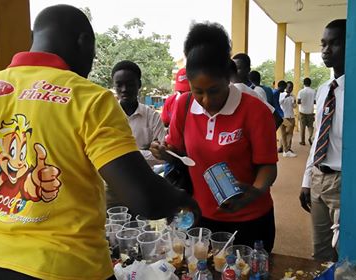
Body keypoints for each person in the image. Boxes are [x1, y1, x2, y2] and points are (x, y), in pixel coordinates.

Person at [0, 5, 198, 279]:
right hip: (71, 268)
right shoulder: (90, 99)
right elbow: (146, 200)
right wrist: (181, 199)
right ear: (84, 42)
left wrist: (9, 212)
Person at [151, 22, 278, 252]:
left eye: (214, 90)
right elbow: (178, 153)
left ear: (228, 78)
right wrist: (164, 151)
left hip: (250, 220)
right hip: (201, 218)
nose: (206, 100)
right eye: (198, 91)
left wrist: (256, 191)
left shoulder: (255, 111)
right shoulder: (184, 105)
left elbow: (268, 166)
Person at [299, 19, 346, 262]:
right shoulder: (324, 89)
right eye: (323, 44)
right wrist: (307, 179)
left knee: (345, 251)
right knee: (320, 251)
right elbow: (319, 136)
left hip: (343, 182)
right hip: (318, 177)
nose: (326, 50)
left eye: (335, 43)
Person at [112, 60, 166, 167]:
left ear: (139, 84)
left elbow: (162, 156)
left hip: (144, 180)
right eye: (119, 85)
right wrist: (145, 152)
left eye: (130, 84)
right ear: (114, 85)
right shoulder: (106, 115)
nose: (124, 89)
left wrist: (121, 152)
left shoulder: (152, 117)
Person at [279, 81, 297, 158]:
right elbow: (279, 103)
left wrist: (294, 103)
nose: (291, 89)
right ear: (286, 87)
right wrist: (285, 97)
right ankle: (285, 149)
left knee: (290, 133)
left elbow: (294, 106)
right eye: (289, 87)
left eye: (292, 87)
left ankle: (286, 148)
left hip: (291, 116)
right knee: (285, 132)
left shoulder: (293, 96)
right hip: (284, 117)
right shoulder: (281, 94)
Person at [297, 77, 316, 145]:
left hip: (302, 111)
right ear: (310, 83)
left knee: (302, 127)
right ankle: (310, 137)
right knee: (310, 126)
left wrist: (302, 101)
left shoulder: (301, 91)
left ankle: (302, 141)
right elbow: (315, 101)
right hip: (310, 112)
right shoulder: (313, 91)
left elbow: (298, 102)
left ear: (303, 83)